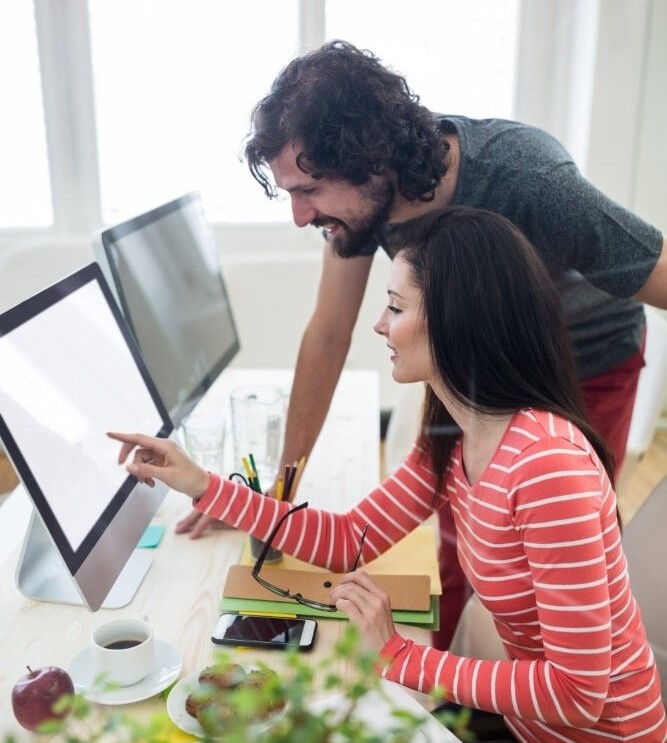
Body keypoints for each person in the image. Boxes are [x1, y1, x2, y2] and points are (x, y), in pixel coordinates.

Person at [111, 207, 667, 743]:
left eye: (397, 308)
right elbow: (349, 539)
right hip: (531, 728)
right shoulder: (456, 435)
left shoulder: (548, 470)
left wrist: (401, 656)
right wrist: (201, 483)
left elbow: (578, 694)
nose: (379, 324)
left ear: (458, 321)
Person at [175, 40, 667, 651]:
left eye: (309, 189)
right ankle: (462, 702)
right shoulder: (358, 207)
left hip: (582, 362)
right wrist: (278, 495)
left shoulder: (531, 180)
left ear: (371, 160)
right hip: (466, 370)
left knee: (545, 562)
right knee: (460, 547)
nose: (300, 216)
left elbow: (659, 268)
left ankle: (545, 701)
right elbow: (327, 336)